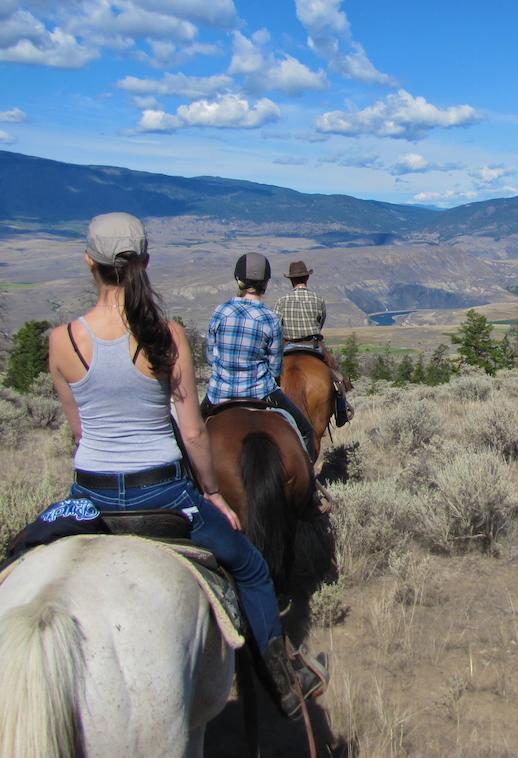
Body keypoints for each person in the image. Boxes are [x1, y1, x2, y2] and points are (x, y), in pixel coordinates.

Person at [48, 213, 326, 719]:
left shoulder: (61, 341)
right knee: (251, 567)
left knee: (19, 555)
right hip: (162, 493)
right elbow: (194, 431)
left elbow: (80, 435)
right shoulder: (165, 334)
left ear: (88, 262)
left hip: (89, 496)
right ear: (146, 262)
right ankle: (284, 681)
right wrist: (213, 494)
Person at [201, 253, 317, 461]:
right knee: (306, 431)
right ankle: (308, 487)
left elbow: (210, 357)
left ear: (238, 280)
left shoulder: (220, 311)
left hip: (220, 393)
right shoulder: (269, 318)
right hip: (260, 393)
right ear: (266, 283)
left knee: (190, 436)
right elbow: (274, 368)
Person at [274, 260, 354, 426]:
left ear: (291, 280)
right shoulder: (318, 299)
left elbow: (276, 327)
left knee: (269, 379)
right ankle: (341, 411)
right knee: (337, 378)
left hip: (287, 346)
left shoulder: (282, 301)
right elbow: (320, 323)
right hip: (313, 346)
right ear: (306, 278)